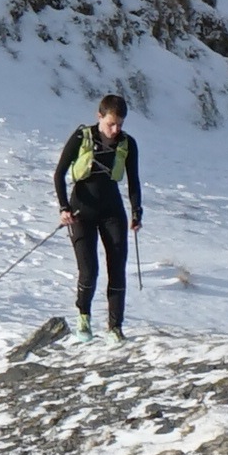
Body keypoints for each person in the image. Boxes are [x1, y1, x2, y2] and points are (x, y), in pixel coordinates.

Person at [55, 93, 143, 336]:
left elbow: (133, 182)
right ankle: (84, 317)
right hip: (81, 211)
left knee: (117, 268)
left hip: (112, 211)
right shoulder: (82, 137)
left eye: (120, 124)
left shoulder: (128, 144)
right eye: (111, 123)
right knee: (89, 270)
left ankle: (115, 327)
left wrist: (137, 212)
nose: (115, 130)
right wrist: (64, 208)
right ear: (99, 117)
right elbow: (59, 173)